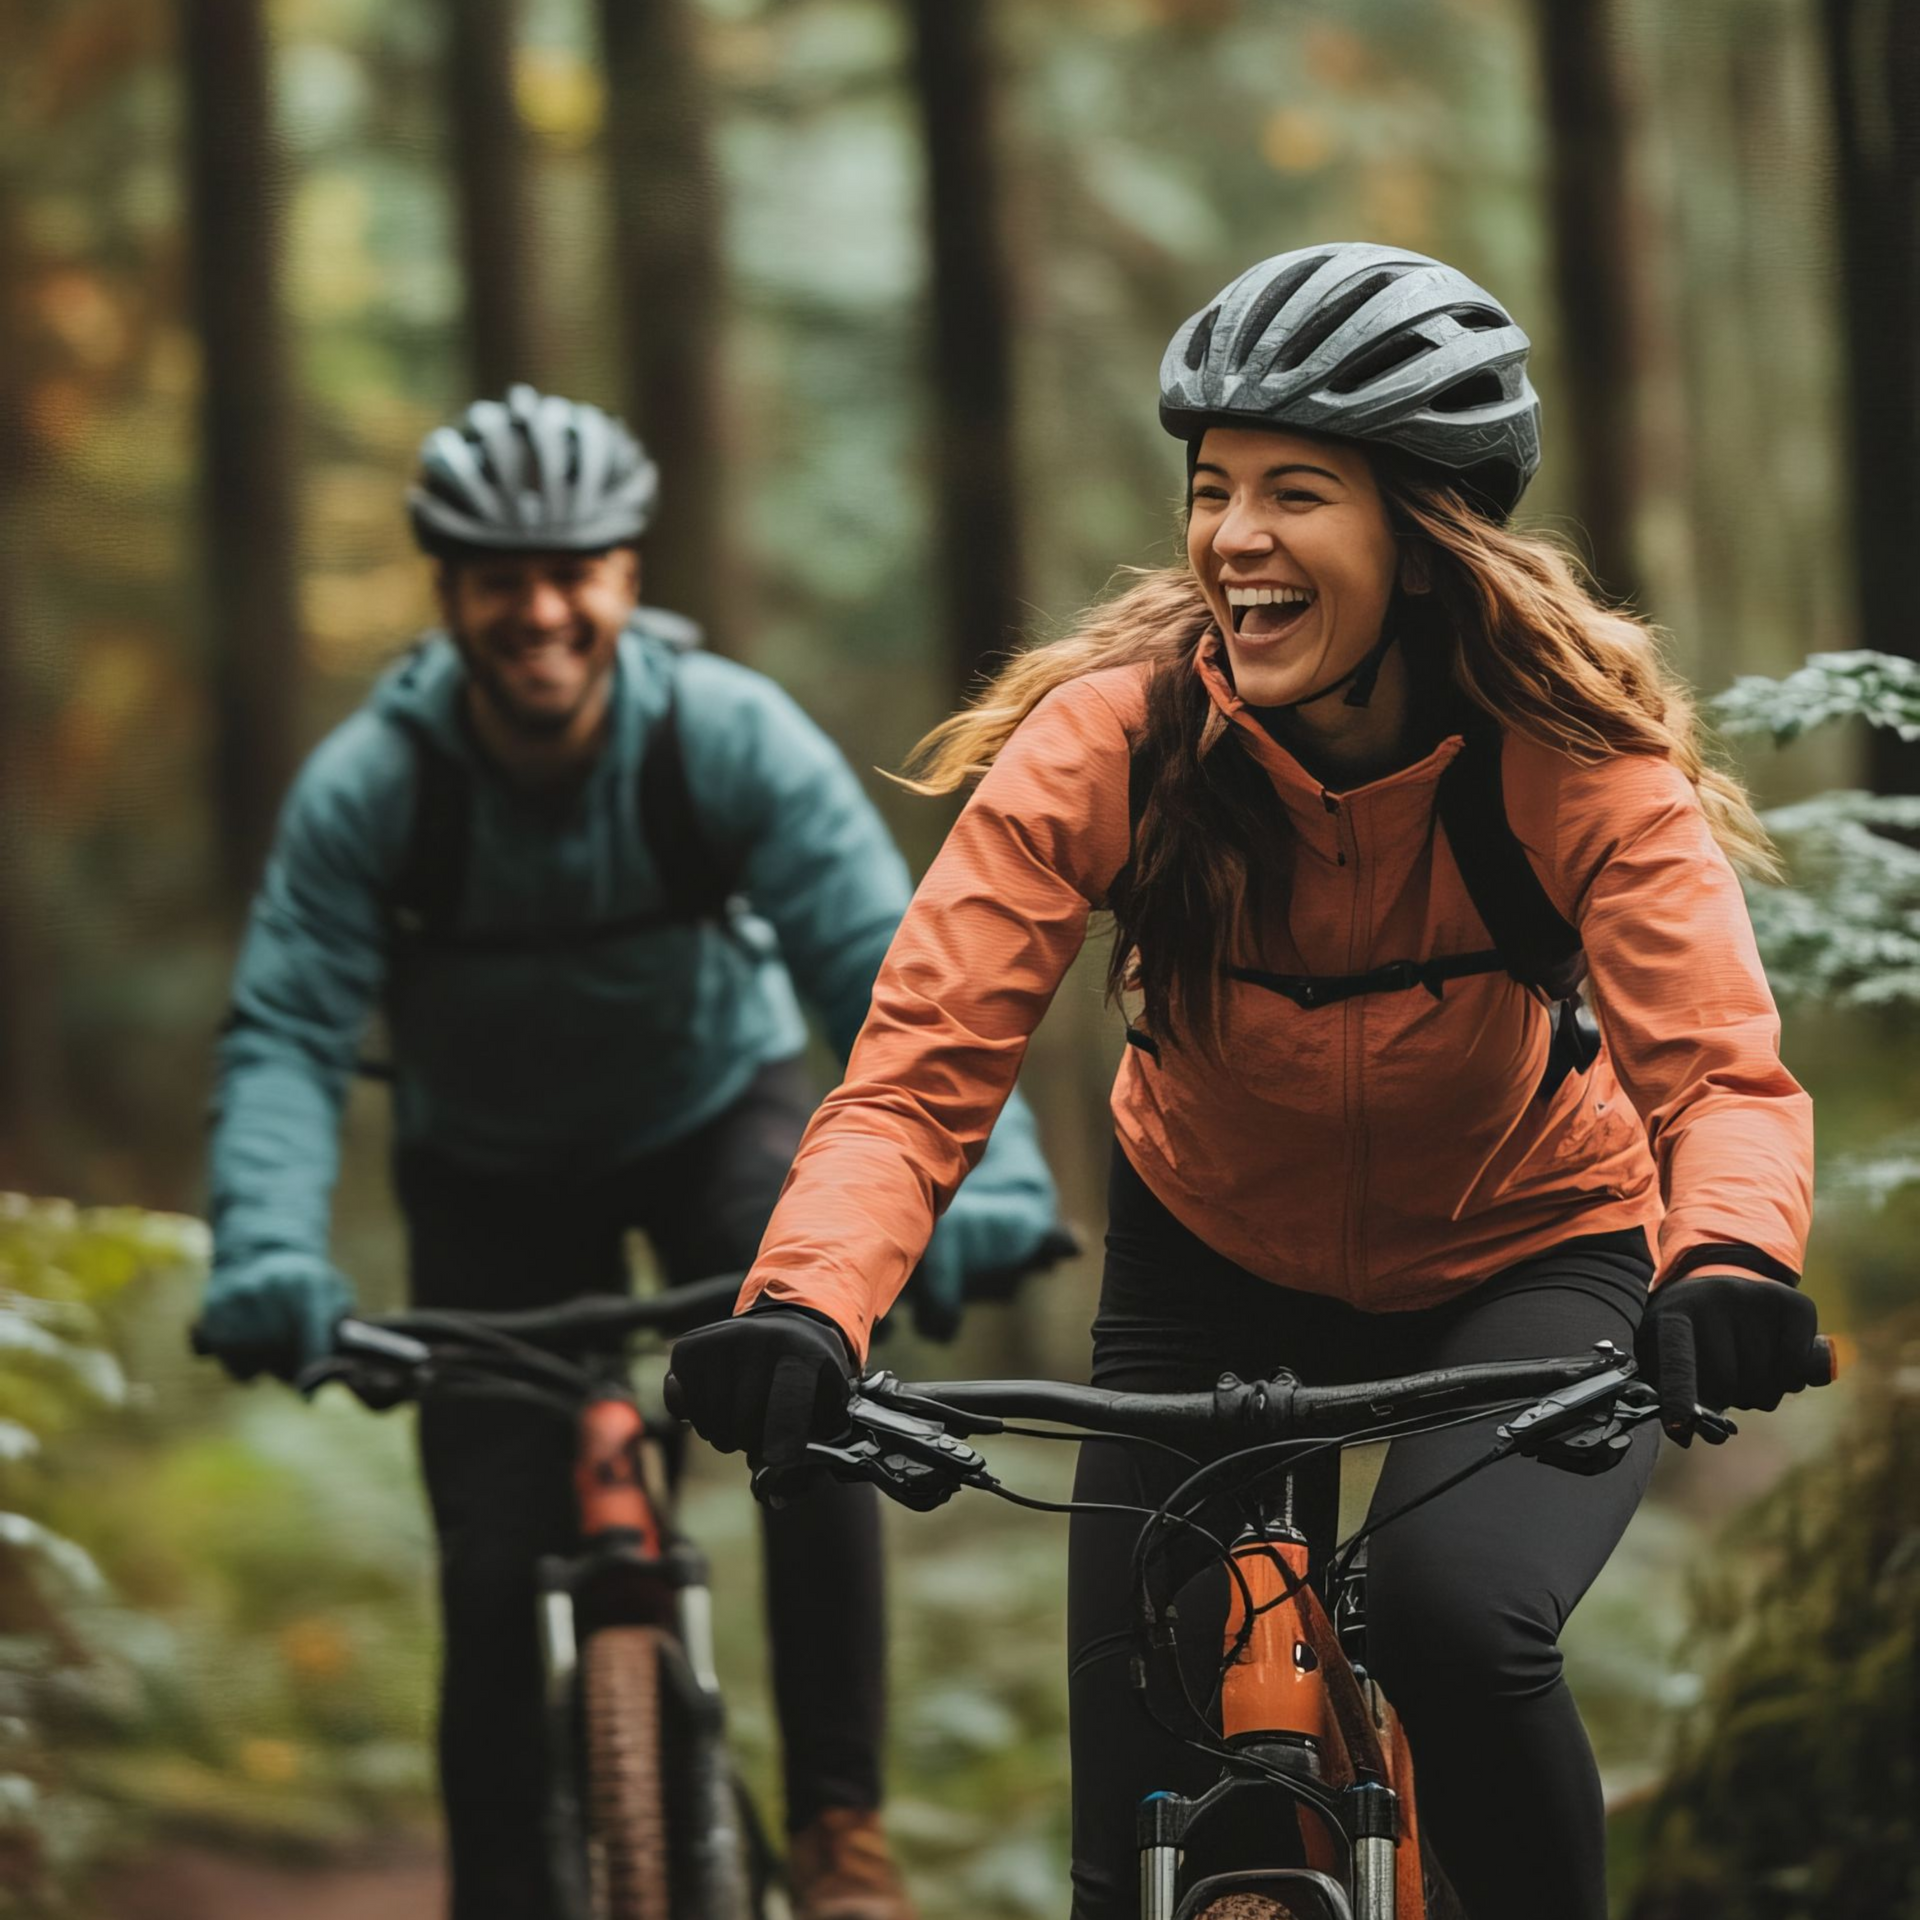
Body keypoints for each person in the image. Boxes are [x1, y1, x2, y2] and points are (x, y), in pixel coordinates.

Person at [666, 245, 1824, 1920]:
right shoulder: (1113, 745)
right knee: (1128, 1800)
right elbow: (916, 1081)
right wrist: (805, 1308)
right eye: (1214, 491)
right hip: (1207, 1273)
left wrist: (1728, 1259)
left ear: (1423, 543)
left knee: (1453, 1616)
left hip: (1533, 1258)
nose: (1234, 539)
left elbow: (1717, 1071)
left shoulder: (1572, 764)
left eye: (1298, 493)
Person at [193, 384, 1065, 1920]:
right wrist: (269, 1246)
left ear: (626, 578)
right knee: (485, 1560)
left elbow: (889, 970)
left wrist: (983, 1184)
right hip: (488, 1178)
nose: (539, 609)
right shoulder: (374, 790)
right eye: (497, 577)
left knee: (815, 1403)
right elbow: (287, 1033)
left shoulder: (723, 738)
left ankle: (841, 1838)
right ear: (448, 592)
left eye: (573, 569)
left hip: (710, 1123)